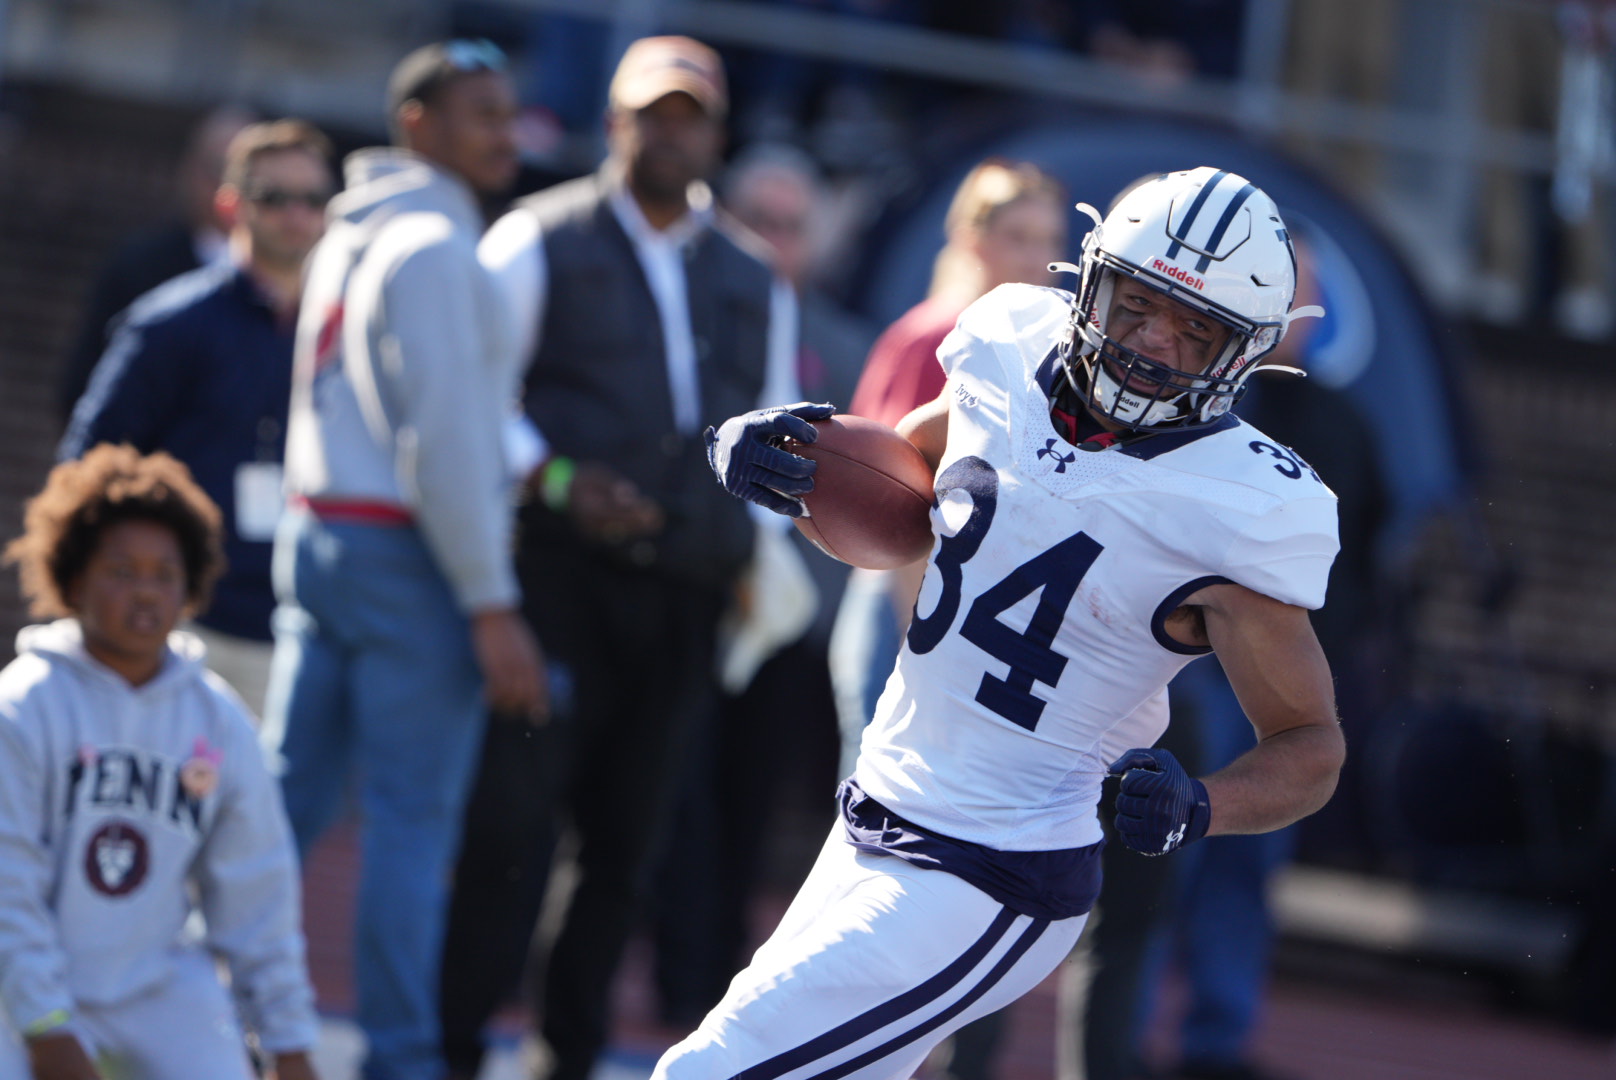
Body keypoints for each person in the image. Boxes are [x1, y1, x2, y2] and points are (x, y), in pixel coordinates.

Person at [666, 165, 1345, 1078]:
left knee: (713, 1068)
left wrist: (1202, 805)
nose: (1152, 342)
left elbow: (1311, 743)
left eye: (1196, 330)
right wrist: (787, 464)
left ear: (1243, 351)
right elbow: (908, 499)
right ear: (1092, 282)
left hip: (995, 870)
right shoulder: (1007, 344)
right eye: (1138, 303)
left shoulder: (1243, 507)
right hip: (881, 801)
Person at [438, 35, 798, 1080]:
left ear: (718, 134)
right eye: (655, 112)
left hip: (686, 593)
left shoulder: (749, 272)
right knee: (511, 827)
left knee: (624, 846)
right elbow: (475, 398)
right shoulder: (536, 239)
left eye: (691, 114)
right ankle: (456, 1049)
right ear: (614, 123)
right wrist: (554, 479)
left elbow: (778, 433)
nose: (673, 131)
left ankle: (570, 1052)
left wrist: (748, 548)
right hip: (556, 575)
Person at [261, 39, 546, 1080]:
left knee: (281, 811)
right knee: (410, 833)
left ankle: (197, 1016)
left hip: (320, 533)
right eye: (481, 113)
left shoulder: (353, 228)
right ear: (416, 121)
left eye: (508, 113)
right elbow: (445, 445)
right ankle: (399, 1061)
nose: (506, 133)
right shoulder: (432, 242)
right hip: (406, 555)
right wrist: (489, 599)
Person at [0, 444, 318, 1080]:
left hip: (154, 983)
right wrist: (46, 1025)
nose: (145, 592)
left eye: (164, 574)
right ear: (73, 576)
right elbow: (7, 881)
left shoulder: (218, 720)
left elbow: (258, 891)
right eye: (121, 571)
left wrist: (289, 1042)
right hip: (20, 987)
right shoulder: (24, 705)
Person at [58, 118, 334, 719]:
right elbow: (89, 464)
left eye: (313, 199)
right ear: (231, 204)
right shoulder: (170, 323)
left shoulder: (345, 334)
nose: (297, 214)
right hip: (176, 622)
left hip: (288, 623)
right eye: (275, 197)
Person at [57, 105, 257, 426]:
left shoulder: (289, 284)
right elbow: (84, 387)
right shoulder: (140, 265)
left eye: (246, 175)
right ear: (191, 170)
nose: (229, 187)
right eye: (219, 169)